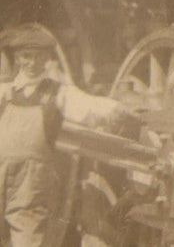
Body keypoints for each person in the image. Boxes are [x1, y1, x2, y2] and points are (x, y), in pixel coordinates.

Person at [0, 25, 124, 247]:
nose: (32, 63)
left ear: (47, 58)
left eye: (39, 57)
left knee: (28, 241)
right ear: (18, 58)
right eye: (27, 57)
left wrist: (116, 110)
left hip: (31, 188)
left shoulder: (58, 94)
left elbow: (89, 106)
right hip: (1, 176)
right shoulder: (5, 93)